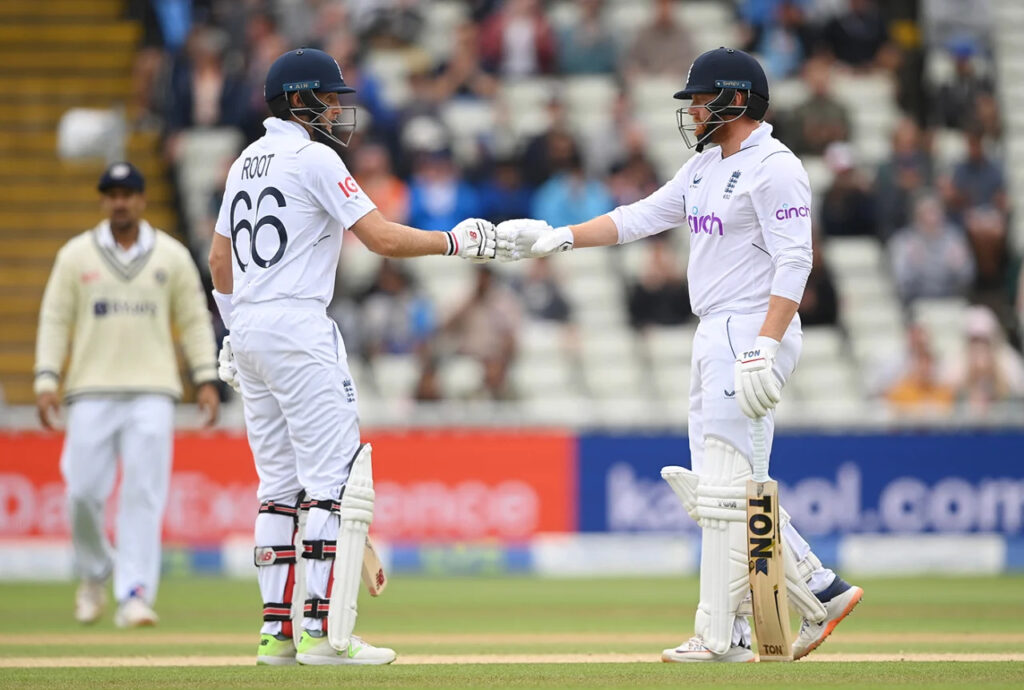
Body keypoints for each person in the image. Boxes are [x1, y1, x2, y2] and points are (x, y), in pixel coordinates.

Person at [495, 47, 862, 662]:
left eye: (699, 98)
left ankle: (722, 632)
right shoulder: (704, 167)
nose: (691, 111)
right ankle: (809, 591)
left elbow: (797, 260)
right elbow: (639, 218)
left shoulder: (775, 166)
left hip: (748, 327)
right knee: (723, 489)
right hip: (714, 330)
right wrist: (559, 237)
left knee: (723, 488)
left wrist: (765, 345)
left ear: (735, 100)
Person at [207, 48, 496, 667]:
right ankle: (321, 633)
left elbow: (218, 260)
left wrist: (234, 331)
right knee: (331, 484)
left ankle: (275, 635)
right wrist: (455, 240)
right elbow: (381, 237)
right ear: (302, 99)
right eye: (331, 98)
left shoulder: (243, 163)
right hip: (297, 326)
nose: (339, 109)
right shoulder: (314, 158)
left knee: (277, 488)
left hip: (252, 327)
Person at [34, 161, 219, 628]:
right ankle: (96, 571)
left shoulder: (171, 256)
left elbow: (196, 319)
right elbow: (56, 318)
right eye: (112, 194)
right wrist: (46, 378)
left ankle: (134, 592)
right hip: (91, 389)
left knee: (142, 494)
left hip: (152, 390)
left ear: (141, 199)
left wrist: (206, 378)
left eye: (128, 193)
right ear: (104, 200)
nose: (120, 202)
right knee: (80, 492)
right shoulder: (76, 255)